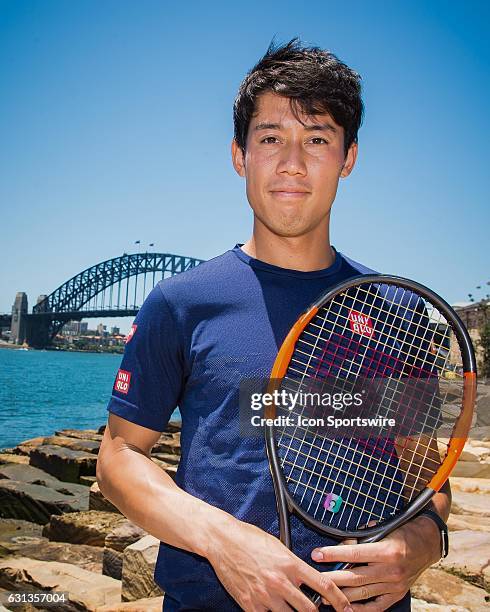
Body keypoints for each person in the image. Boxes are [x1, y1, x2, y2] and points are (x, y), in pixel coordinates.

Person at [96, 39, 451, 612]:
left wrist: (422, 541)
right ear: (239, 156)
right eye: (270, 139)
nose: (292, 162)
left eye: (317, 139)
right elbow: (118, 459)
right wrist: (224, 542)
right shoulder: (181, 303)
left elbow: (426, 471)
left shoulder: (395, 311)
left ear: (348, 157)